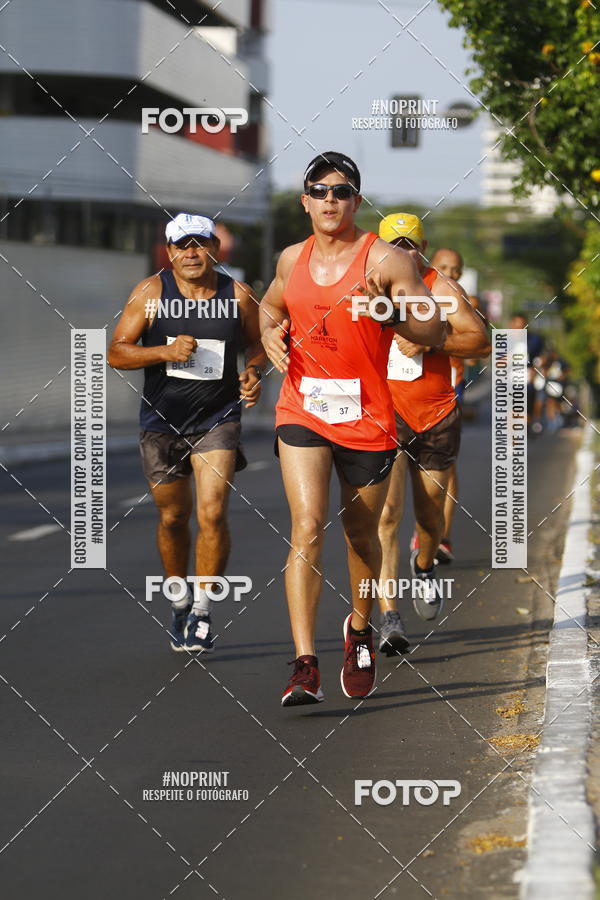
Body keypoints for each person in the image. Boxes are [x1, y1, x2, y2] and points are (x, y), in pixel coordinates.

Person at [259, 152, 446, 706]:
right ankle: (304, 664)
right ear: (305, 201)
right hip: (302, 410)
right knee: (307, 526)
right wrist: (271, 335)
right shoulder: (290, 257)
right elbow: (270, 308)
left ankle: (359, 629)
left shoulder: (385, 259)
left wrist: (390, 314)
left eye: (341, 191)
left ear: (356, 200)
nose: (330, 199)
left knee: (360, 536)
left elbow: (432, 327)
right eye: (319, 190)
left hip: (367, 417)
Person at [108, 213, 265, 653]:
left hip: (218, 419)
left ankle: (201, 610)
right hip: (162, 423)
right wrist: (164, 350)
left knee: (212, 513)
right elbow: (116, 352)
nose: (192, 252)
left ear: (214, 247)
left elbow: (259, 345)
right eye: (182, 245)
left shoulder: (238, 294)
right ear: (170, 251)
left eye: (200, 243)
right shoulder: (151, 292)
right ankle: (177, 596)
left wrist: (253, 373)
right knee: (174, 517)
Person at [376, 216, 490, 653]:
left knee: (429, 518)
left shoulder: (441, 290)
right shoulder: (365, 292)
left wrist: (431, 341)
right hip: (383, 418)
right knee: (386, 517)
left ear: (422, 246)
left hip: (435, 416)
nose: (403, 250)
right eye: (393, 243)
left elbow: (480, 342)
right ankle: (389, 616)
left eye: (410, 243)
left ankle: (423, 567)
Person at [509, 311, 545, 433]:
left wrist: (536, 369)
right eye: (516, 327)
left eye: (522, 326)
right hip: (509, 382)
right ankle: (512, 443)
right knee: (511, 413)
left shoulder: (535, 341)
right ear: (511, 325)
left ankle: (526, 429)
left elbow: (543, 358)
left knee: (525, 413)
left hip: (528, 383)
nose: (519, 330)